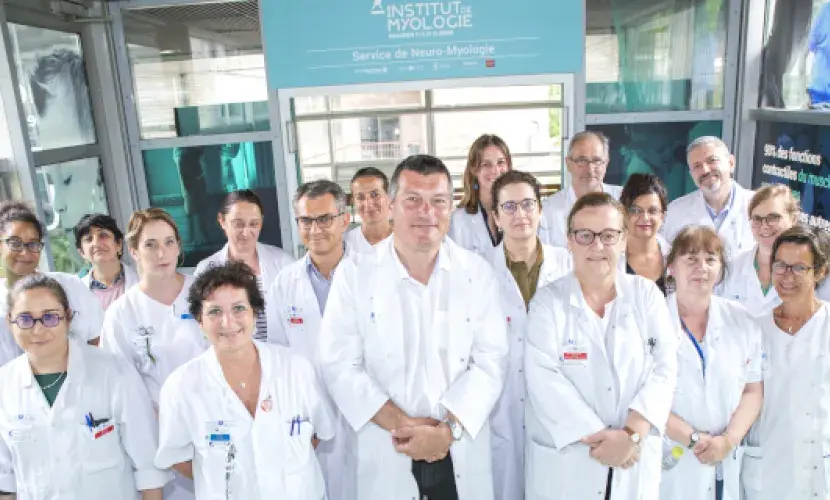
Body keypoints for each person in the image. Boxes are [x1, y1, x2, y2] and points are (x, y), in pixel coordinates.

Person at [319, 154, 508, 499]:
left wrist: (446, 431)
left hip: (457, 446)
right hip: (386, 446)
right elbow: (338, 365)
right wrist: (404, 427)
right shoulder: (355, 274)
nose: (426, 212)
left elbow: (490, 361)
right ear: (391, 206)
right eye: (413, 200)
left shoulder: (476, 273)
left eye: (438, 201)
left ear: (450, 207)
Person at [524, 192, 678, 500]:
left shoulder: (646, 295)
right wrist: (607, 441)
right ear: (569, 240)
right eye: (585, 235)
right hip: (571, 463)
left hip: (633, 458)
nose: (597, 246)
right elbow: (544, 380)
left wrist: (631, 435)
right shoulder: (547, 303)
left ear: (623, 240)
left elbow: (665, 367)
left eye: (608, 235)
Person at [155, 261, 335, 499]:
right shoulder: (181, 387)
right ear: (199, 320)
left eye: (238, 308)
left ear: (255, 313)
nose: (228, 322)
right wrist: (225, 480)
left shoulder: (295, 369)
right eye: (214, 311)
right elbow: (178, 458)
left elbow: (317, 434)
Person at [0, 274, 170, 499]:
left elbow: (149, 468)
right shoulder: (5, 386)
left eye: (50, 317)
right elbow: (5, 479)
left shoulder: (114, 372)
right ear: (9, 322)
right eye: (25, 319)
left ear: (68, 317)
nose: (38, 330)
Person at [101, 208, 205, 500]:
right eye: (151, 244)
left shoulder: (204, 293)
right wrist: (160, 422)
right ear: (133, 251)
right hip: (156, 434)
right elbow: (119, 387)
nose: (162, 253)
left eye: (169, 242)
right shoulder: (122, 313)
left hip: (214, 422)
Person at [659, 226, 763, 500]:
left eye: (710, 259)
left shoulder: (741, 320)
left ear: (720, 269)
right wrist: (693, 438)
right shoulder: (650, 320)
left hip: (724, 458)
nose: (701, 268)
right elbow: (640, 394)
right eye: (691, 258)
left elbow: (752, 389)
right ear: (671, 267)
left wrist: (728, 441)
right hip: (670, 457)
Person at [266, 180, 354, 500]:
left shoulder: (371, 274)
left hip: (364, 408)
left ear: (345, 220)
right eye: (306, 220)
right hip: (308, 412)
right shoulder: (284, 283)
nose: (315, 229)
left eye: (325, 219)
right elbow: (276, 357)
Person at [487, 170, 571, 500]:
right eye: (509, 207)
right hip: (501, 404)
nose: (520, 214)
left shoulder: (569, 265)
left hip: (559, 401)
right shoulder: (479, 272)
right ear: (496, 217)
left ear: (540, 210)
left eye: (527, 204)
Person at [755, 226, 830, 500]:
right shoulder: (755, 329)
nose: (787, 276)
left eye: (799, 268)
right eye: (780, 265)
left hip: (820, 465)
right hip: (769, 469)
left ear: (820, 272)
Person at [0, 201, 104, 367]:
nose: (25, 252)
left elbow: (97, 340)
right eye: (15, 243)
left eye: (33, 244)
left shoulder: (71, 287)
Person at [194, 190, 295, 342]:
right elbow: (205, 326)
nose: (246, 232)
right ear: (222, 221)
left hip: (278, 353)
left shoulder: (284, 264)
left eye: (254, 224)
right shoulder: (206, 269)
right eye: (238, 224)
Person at [662, 137, 755, 257]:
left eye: (712, 160)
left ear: (731, 163)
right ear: (691, 174)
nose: (705, 170)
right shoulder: (675, 211)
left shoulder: (758, 205)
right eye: (697, 166)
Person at [719, 184, 800, 316]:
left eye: (773, 218)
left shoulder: (811, 272)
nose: (764, 226)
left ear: (793, 219)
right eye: (757, 219)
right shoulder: (733, 268)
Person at [539, 131, 623, 248]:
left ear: (606, 163)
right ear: (568, 164)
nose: (590, 169)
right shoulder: (548, 211)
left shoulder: (625, 200)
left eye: (596, 161)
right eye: (582, 160)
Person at [449, 134, 512, 259]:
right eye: (486, 164)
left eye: (501, 162)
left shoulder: (519, 213)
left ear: (508, 166)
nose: (495, 170)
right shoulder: (458, 221)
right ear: (474, 169)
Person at [619, 174, 671, 295]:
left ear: (662, 216)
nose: (645, 218)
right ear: (623, 212)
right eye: (636, 210)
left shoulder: (674, 257)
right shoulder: (610, 257)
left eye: (653, 211)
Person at [75, 213, 139, 311]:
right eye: (88, 239)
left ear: (119, 244)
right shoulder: (76, 293)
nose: (96, 243)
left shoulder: (141, 281)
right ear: (82, 253)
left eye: (103, 235)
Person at [346, 167, 393, 252]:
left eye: (375, 195)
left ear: (388, 197)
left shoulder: (407, 242)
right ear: (353, 201)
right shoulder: (345, 245)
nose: (368, 203)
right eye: (360, 197)